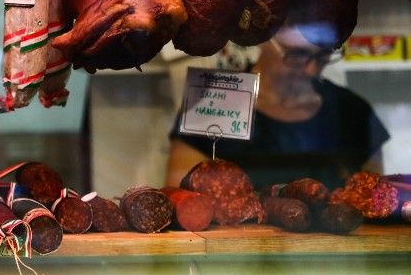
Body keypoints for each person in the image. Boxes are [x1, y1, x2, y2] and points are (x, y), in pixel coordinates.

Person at [165, 26, 389, 190]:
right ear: (263, 39)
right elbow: (179, 193)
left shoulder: (352, 111)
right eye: (297, 55)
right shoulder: (213, 100)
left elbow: (374, 200)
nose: (311, 70)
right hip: (232, 251)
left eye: (323, 56)